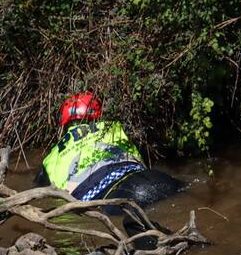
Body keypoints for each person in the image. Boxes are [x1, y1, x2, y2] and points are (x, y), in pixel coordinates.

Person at [37, 92, 182, 238]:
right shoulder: (114, 127)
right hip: (155, 178)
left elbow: (45, 195)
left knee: (142, 231)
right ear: (98, 115)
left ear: (65, 121)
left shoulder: (51, 158)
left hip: (117, 198)